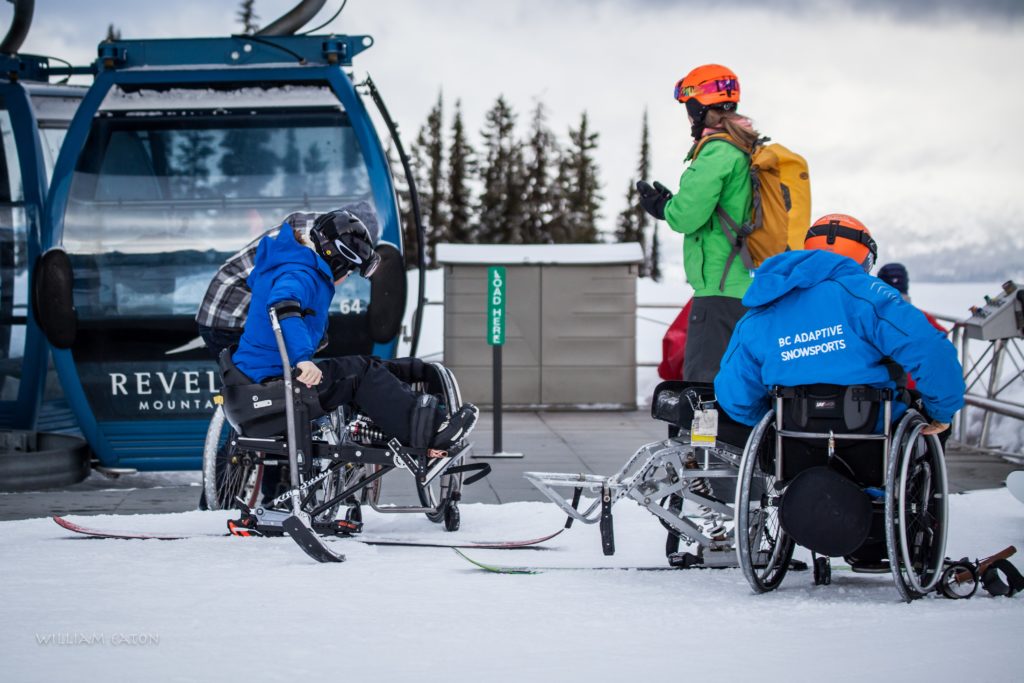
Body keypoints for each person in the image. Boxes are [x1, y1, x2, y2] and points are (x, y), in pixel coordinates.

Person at [230, 209, 478, 451]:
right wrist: (303, 359)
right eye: (349, 270)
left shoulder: (293, 264)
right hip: (269, 384)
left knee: (362, 366)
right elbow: (283, 307)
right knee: (359, 374)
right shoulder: (300, 272)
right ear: (336, 259)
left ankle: (418, 379)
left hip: (258, 378)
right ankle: (428, 432)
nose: (347, 277)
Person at [714, 213, 965, 436]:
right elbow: (930, 349)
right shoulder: (870, 296)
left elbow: (734, 394)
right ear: (865, 258)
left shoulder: (764, 307)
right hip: (873, 436)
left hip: (792, 440)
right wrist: (941, 411)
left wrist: (766, 419)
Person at [637, 64, 757, 383]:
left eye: (689, 109)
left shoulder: (718, 151)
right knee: (741, 383)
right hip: (751, 286)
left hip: (720, 290)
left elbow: (688, 215)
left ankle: (706, 437)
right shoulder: (745, 149)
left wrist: (663, 208)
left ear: (699, 107)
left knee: (702, 386)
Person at [195, 202, 378, 361]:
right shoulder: (309, 244)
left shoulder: (321, 231)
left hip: (231, 307)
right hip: (226, 316)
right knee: (260, 389)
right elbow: (290, 296)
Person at [877, 262, 949, 391]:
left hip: (887, 389)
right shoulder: (921, 317)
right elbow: (942, 336)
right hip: (919, 387)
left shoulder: (871, 317)